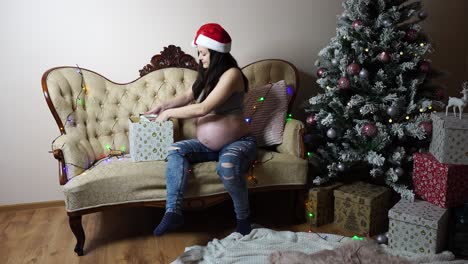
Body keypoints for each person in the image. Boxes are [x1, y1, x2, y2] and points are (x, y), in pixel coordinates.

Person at [145, 23, 257, 236]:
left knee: (227, 166)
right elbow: (188, 96)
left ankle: (244, 220)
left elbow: (205, 107)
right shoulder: (206, 75)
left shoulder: (232, 74)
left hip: (239, 142)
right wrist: (162, 107)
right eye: (199, 53)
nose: (200, 58)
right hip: (209, 147)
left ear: (216, 53)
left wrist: (169, 115)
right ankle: (173, 212)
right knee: (175, 151)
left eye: (203, 53)